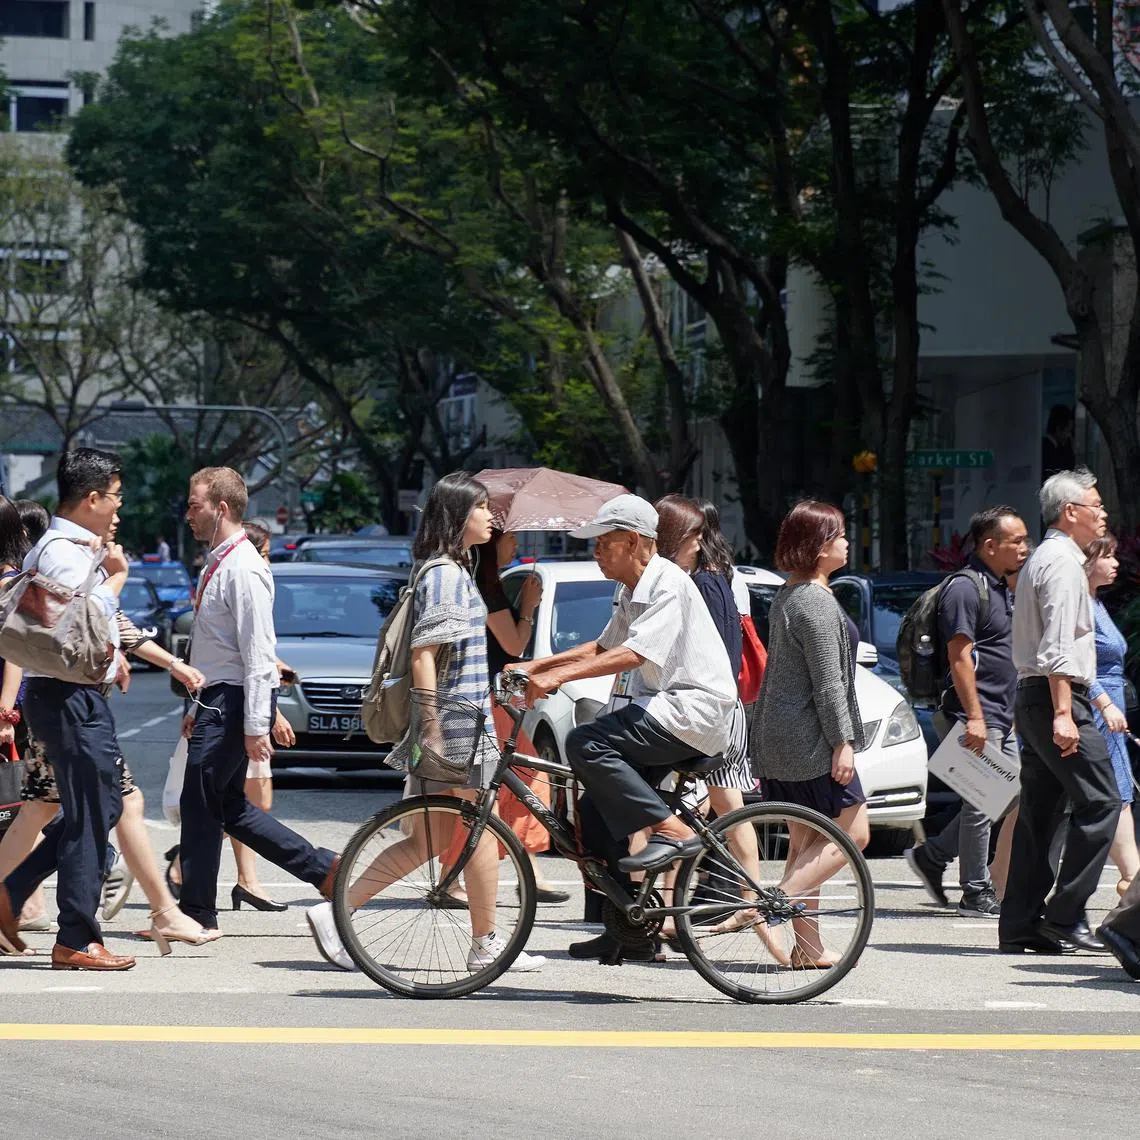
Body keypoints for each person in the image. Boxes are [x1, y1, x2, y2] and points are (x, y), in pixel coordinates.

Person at [305, 472, 546, 973]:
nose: (490, 517)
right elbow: (423, 656)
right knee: (479, 831)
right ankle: (485, 945)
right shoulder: (445, 575)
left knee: (432, 839)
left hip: (459, 719)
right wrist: (434, 727)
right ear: (458, 516)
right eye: (482, 508)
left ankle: (336, 913)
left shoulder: (451, 570)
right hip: (456, 725)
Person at [516, 494, 739, 964]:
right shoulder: (632, 588)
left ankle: (671, 829)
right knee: (591, 808)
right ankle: (629, 929)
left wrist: (554, 678)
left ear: (634, 540)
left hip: (694, 712)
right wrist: (537, 664)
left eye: (602, 543)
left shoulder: (667, 584)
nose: (595, 552)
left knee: (584, 742)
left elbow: (637, 654)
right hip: (666, 708)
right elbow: (604, 645)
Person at [178, 467, 338, 937]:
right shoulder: (219, 561)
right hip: (215, 698)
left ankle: (196, 914)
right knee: (223, 805)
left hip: (231, 701)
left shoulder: (245, 567)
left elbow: (257, 652)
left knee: (202, 803)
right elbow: (214, 648)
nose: (188, 513)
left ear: (220, 508)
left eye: (194, 504)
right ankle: (323, 869)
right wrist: (194, 706)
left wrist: (255, 724)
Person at [0, 449, 138, 969]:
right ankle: (76, 939)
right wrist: (116, 577)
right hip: (67, 695)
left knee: (99, 808)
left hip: (68, 696)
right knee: (89, 815)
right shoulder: (63, 551)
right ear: (93, 497)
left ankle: (15, 890)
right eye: (116, 496)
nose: (119, 507)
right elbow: (78, 630)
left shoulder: (68, 548)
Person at [999, 468, 1120, 955]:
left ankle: (1021, 924)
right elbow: (1059, 648)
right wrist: (1065, 712)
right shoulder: (1065, 563)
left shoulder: (1045, 559)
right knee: (1103, 802)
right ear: (1071, 513)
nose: (1103, 513)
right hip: (1055, 695)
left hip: (1036, 694)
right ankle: (1065, 916)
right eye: (1096, 505)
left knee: (1042, 813)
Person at [753, 500, 870, 969]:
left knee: (805, 845)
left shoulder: (790, 592)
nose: (847, 541)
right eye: (839, 535)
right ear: (820, 548)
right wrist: (843, 741)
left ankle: (808, 948)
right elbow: (828, 681)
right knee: (852, 833)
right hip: (808, 740)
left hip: (778, 735)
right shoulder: (817, 603)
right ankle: (770, 902)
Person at [905, 506, 1029, 919]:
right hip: (974, 714)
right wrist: (974, 717)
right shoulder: (964, 588)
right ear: (990, 545)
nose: (1024, 548)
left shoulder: (999, 586)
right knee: (981, 802)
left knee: (1008, 795)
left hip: (1001, 714)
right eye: (1017, 541)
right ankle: (975, 891)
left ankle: (933, 855)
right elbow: (960, 656)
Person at [651, 495, 762, 945]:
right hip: (723, 708)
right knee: (713, 806)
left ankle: (747, 901)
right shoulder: (724, 579)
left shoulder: (695, 584)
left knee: (696, 808)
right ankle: (723, 904)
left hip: (703, 712)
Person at [473, 527, 568, 904]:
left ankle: (530, 872)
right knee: (521, 782)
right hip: (485, 703)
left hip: (493, 701)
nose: (515, 544)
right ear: (492, 544)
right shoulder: (486, 588)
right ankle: (465, 876)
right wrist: (528, 605)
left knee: (515, 785)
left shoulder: (489, 582)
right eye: (509, 538)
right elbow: (513, 645)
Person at [1084, 534, 1140, 897]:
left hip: (1110, 711)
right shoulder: (1081, 608)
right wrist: (1103, 701)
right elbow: (1073, 665)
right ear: (1087, 563)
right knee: (1113, 792)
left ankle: (1131, 876)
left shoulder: (1096, 603)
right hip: (1094, 710)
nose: (1115, 563)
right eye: (1108, 556)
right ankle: (1132, 877)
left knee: (1119, 790)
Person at [1041, 405, 1076, 481]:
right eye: (1068, 430)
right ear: (1059, 429)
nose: (1069, 435)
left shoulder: (1058, 447)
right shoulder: (1047, 450)